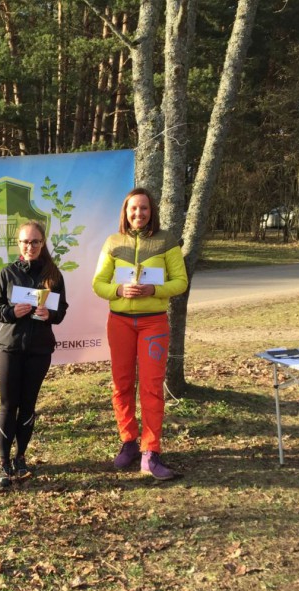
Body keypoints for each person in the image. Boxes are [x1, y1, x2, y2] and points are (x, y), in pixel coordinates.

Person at [91, 187, 188, 480]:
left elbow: (180, 282)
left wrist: (154, 290)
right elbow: (99, 283)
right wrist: (119, 290)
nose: (139, 214)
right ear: (125, 211)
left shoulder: (166, 241)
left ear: (152, 211)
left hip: (153, 323)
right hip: (119, 322)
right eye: (133, 208)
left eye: (144, 208)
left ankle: (151, 451)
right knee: (121, 385)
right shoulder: (113, 242)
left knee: (151, 386)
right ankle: (128, 442)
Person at [0, 221, 68, 488]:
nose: (29, 246)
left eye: (34, 242)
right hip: (10, 348)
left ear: (42, 243)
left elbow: (61, 311)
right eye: (24, 242)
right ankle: (3, 462)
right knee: (9, 405)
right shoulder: (7, 273)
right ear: (18, 244)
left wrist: (49, 315)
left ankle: (21, 458)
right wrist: (11, 313)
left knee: (28, 405)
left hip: (40, 350)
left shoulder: (53, 275)